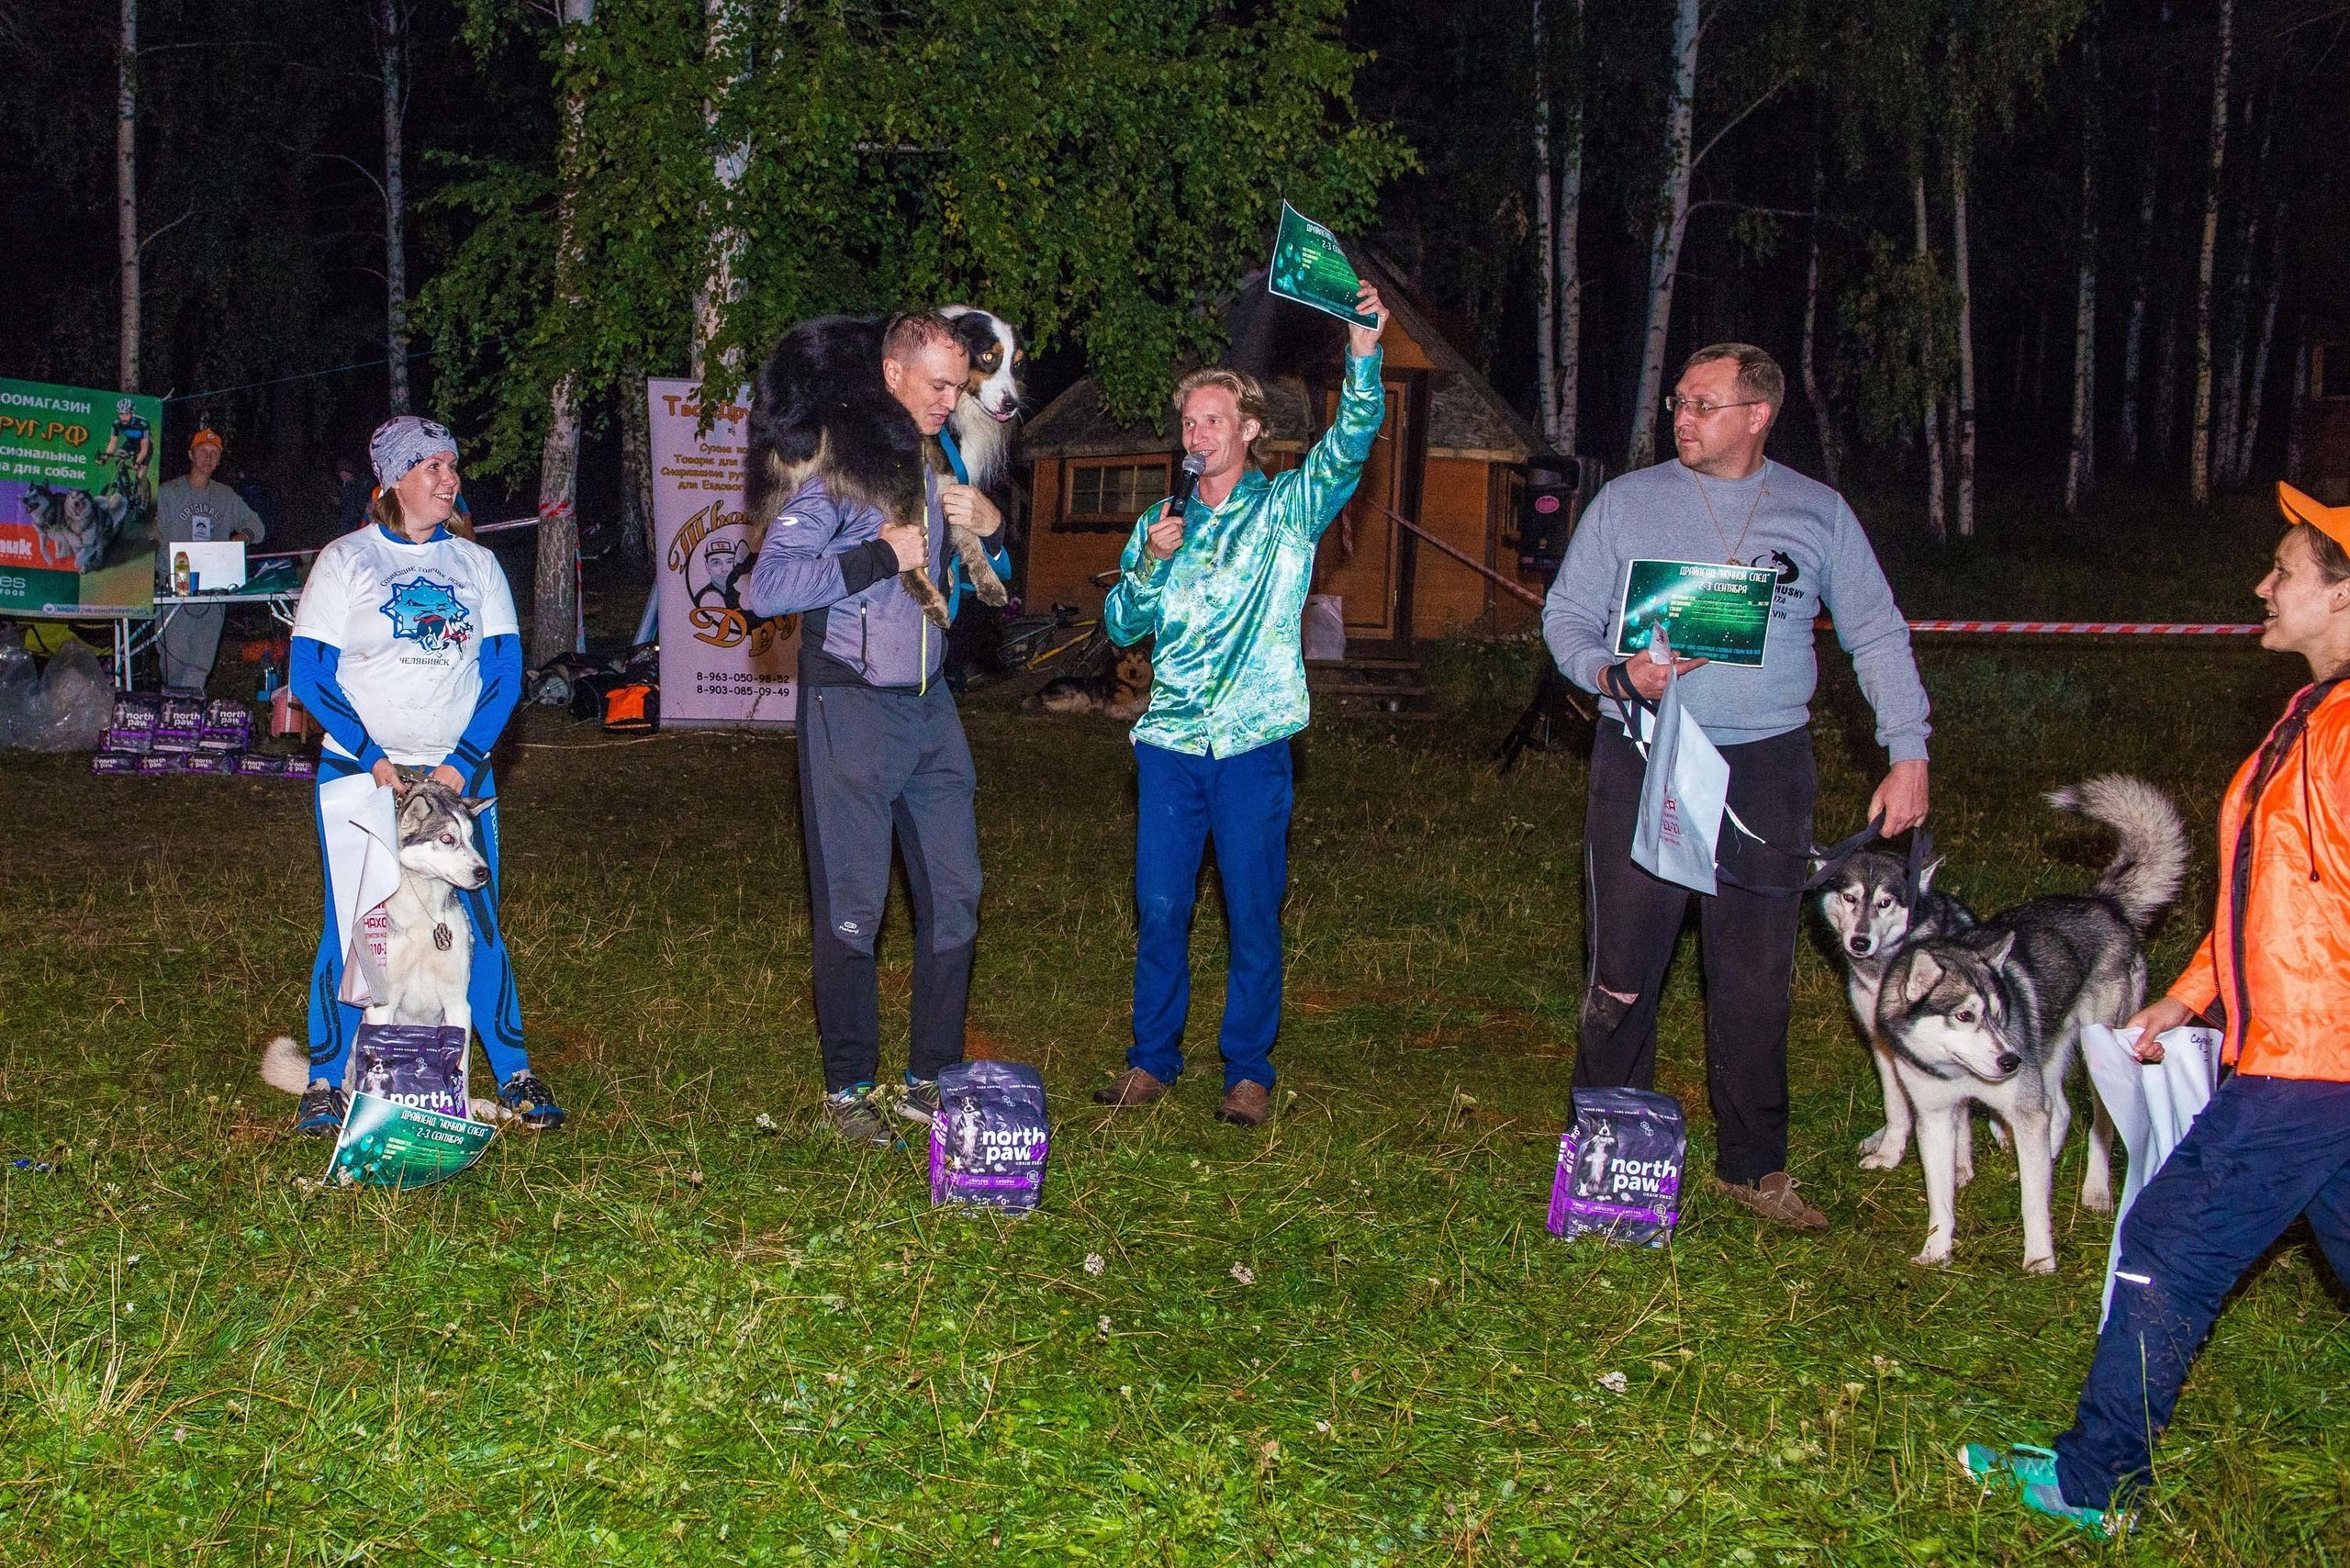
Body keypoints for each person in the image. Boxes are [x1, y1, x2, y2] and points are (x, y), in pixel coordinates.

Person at [1961, 483, 2350, 1537]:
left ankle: (2093, 1486)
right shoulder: (2314, 710)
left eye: (2284, 570)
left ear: (2343, 595)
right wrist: (2188, 993)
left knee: (2168, 1245)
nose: (2260, 585)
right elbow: (2276, 894)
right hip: (2299, 1051)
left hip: (2313, 1063)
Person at [1540, 343, 1930, 1230]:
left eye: (1705, 404)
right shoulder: (1628, 503)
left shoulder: (1817, 513)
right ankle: (1605, 1156)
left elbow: (1874, 630)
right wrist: (1610, 673)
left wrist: (1907, 749)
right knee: (1623, 971)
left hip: (1764, 764)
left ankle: (1753, 1167)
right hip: (1642, 750)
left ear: (1759, 415)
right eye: (1678, 401)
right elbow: (1563, 615)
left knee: (1754, 974)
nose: (1682, 417)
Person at [1091, 283, 1391, 1127]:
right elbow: (1120, 625)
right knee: (1161, 907)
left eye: (1212, 420)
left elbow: (1351, 443)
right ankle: (1152, 1061)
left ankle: (1248, 1071)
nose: (1196, 434)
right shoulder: (1162, 518)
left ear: (1250, 431)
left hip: (1254, 746)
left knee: (1253, 911)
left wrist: (1362, 355)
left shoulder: (1289, 510)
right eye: (1188, 423)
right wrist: (1146, 564)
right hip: (1171, 749)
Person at [742, 312, 1010, 1145]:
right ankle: (848, 1092)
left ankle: (929, 1081)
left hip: (931, 707)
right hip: (849, 705)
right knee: (853, 909)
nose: (949, 399)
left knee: (957, 898)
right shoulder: (837, 467)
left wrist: (994, 537)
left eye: (957, 386)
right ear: (891, 372)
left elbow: (980, 589)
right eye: (936, 384)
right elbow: (766, 587)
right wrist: (878, 557)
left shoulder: (935, 464)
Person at [285, 415, 565, 1135]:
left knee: (477, 919)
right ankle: (327, 1078)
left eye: (453, 466)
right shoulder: (347, 559)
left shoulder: (476, 566)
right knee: (357, 925)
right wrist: (374, 757)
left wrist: (460, 762)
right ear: (394, 480)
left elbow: (503, 676)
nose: (450, 479)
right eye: (433, 466)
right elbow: (310, 675)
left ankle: (516, 1073)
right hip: (361, 776)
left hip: (457, 772)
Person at [154, 428, 266, 691]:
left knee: (201, 660)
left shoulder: (225, 496)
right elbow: (147, 533)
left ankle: (190, 713)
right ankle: (173, 709)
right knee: (173, 656)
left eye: (214, 454)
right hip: (175, 590)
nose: (208, 458)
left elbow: (257, 526)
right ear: (191, 455)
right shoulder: (168, 493)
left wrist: (243, 536)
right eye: (203, 452)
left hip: (214, 591)